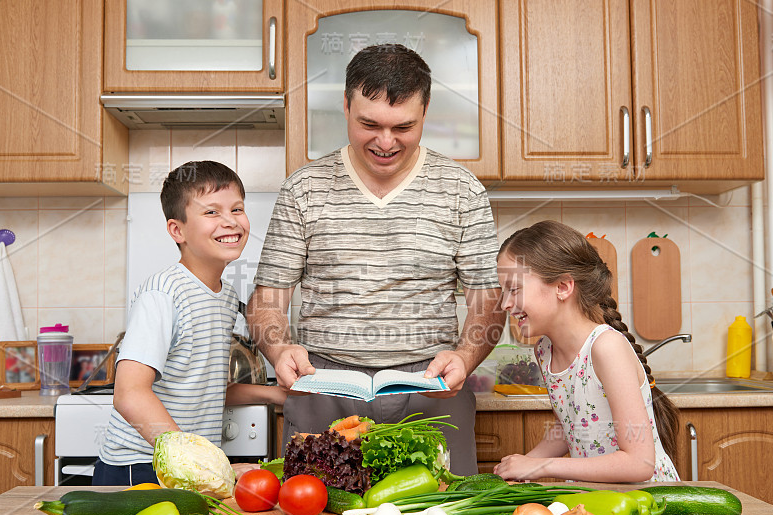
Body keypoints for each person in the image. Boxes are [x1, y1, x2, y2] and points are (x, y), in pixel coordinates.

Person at [246, 44, 505, 475]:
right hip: (322, 389)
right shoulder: (303, 190)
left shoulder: (463, 191)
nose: (386, 143)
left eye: (403, 127)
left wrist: (464, 356)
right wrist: (278, 349)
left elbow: (488, 300)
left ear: (425, 113)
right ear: (346, 106)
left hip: (432, 391)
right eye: (369, 124)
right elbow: (266, 301)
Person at [93, 160, 285, 486]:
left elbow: (201, 388)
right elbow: (129, 394)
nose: (230, 222)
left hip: (181, 466)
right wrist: (200, 463)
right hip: (141, 468)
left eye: (237, 209)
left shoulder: (225, 297)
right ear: (177, 230)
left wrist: (276, 396)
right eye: (212, 212)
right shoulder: (163, 293)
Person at [493, 220, 680, 483]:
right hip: (598, 497)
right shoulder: (545, 351)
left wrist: (541, 467)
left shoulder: (606, 348)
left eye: (514, 289)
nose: (505, 304)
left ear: (562, 287)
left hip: (646, 502)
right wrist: (519, 469)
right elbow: (569, 426)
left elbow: (640, 464)